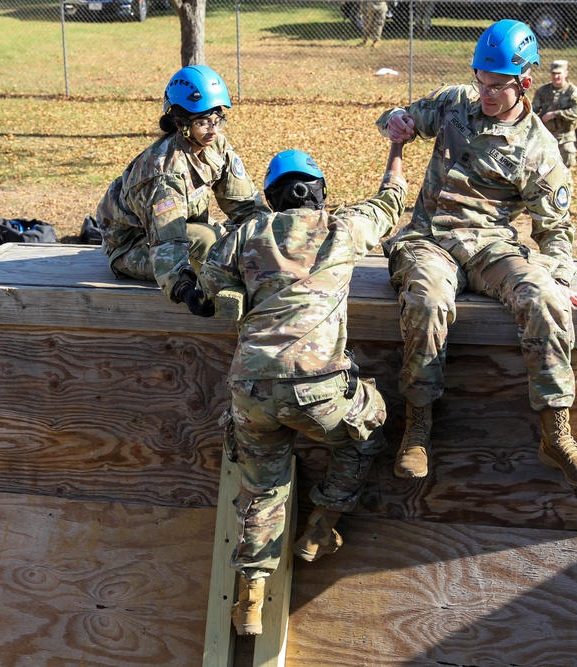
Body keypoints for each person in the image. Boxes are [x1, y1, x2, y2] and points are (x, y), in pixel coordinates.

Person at [376, 19, 577, 492]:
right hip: (429, 239)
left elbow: (555, 228)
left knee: (543, 298)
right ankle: (417, 426)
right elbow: (399, 120)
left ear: (524, 83)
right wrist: (396, 120)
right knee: (428, 297)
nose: (484, 93)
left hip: (488, 245)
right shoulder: (456, 103)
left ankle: (554, 431)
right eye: (480, 80)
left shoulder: (539, 148)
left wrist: (558, 276)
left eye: (496, 86)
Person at [196, 145, 407, 635]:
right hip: (317, 387)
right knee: (367, 431)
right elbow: (391, 202)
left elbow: (210, 284)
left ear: (272, 197)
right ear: (320, 192)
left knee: (262, 489)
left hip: (250, 387)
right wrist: (396, 150)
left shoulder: (246, 232)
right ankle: (322, 525)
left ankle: (248, 599)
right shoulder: (343, 227)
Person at [95, 65, 267, 314]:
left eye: (218, 119)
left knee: (234, 240)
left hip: (178, 231)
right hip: (134, 244)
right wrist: (184, 288)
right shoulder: (164, 174)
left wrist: (270, 241)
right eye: (203, 122)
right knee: (211, 241)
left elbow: (246, 206)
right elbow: (169, 242)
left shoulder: (215, 146)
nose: (214, 130)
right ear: (181, 123)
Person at [531, 59, 577, 168]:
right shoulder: (543, 91)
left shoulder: (573, 92)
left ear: (566, 73)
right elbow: (533, 110)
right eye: (553, 74)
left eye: (559, 74)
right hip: (545, 137)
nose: (556, 77)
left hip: (564, 137)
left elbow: (576, 112)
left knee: (565, 171)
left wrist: (555, 114)